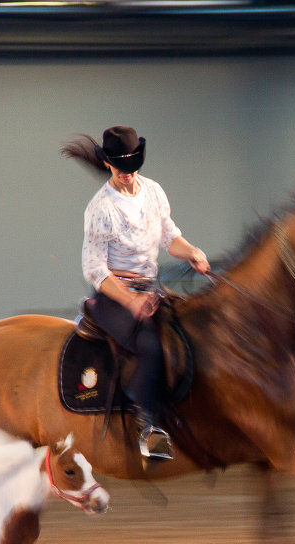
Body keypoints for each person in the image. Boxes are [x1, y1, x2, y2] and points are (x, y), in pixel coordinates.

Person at [61, 125, 211, 461]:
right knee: (150, 346)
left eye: (132, 168)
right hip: (113, 295)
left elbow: (169, 237)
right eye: (122, 169)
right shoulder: (100, 208)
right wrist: (131, 300)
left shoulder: (154, 192)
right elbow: (95, 269)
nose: (129, 175)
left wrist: (193, 253)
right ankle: (148, 427)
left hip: (150, 289)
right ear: (108, 165)